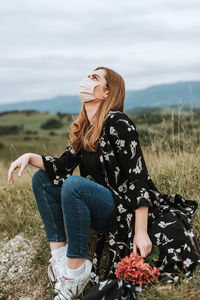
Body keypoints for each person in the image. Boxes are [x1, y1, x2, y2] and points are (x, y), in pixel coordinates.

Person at [8, 67, 200, 300]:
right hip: (97, 204)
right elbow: (60, 167)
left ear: (107, 92)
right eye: (89, 76)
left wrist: (140, 231)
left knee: (74, 185)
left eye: (95, 78)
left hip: (122, 208)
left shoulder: (118, 122)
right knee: (42, 179)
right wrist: (29, 156)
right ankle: (59, 260)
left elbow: (139, 178)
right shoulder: (86, 127)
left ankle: (76, 273)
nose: (87, 81)